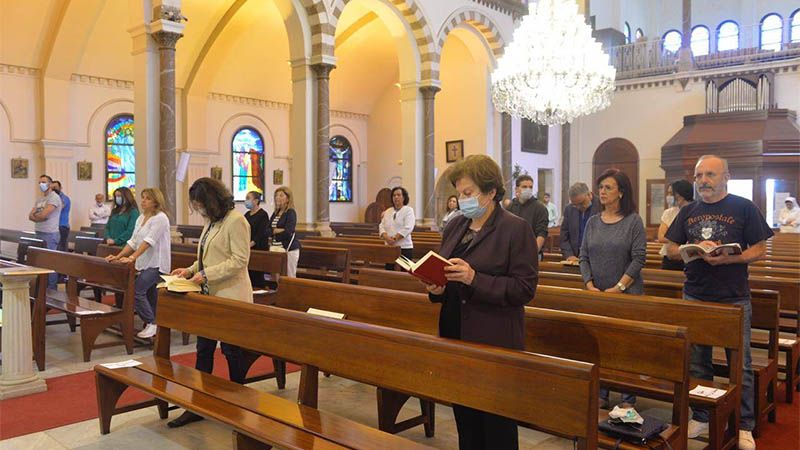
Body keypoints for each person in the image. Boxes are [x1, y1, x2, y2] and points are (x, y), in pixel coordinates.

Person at [424, 155, 538, 449]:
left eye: (468, 193)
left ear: (490, 192)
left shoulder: (515, 229)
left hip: (494, 337)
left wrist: (475, 278)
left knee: (496, 425)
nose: (462, 200)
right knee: (466, 420)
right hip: (456, 332)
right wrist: (437, 288)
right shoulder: (455, 225)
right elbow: (449, 276)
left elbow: (524, 289)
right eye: (459, 194)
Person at [665, 155, 773, 450]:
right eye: (699, 176)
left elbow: (760, 249)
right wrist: (690, 251)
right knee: (698, 361)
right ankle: (701, 414)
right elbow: (670, 247)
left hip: (734, 296)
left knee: (741, 363)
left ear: (726, 176)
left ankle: (744, 424)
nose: (703, 181)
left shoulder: (743, 207)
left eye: (710, 175)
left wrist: (730, 258)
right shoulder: (689, 211)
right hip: (696, 294)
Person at [167, 177, 253, 428]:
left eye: (200, 204)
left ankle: (239, 403)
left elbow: (239, 260)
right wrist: (190, 269)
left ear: (212, 201)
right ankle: (198, 404)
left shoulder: (236, 221)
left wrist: (205, 274)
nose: (198, 210)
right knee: (203, 349)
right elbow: (206, 257)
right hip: (208, 297)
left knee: (231, 351)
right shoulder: (212, 221)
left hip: (230, 296)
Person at [579, 168, 646, 409]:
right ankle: (602, 393)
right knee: (600, 346)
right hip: (597, 295)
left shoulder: (633, 221)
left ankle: (628, 397)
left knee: (626, 346)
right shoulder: (593, 221)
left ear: (621, 192)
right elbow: (583, 256)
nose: (602, 192)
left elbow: (638, 258)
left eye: (608, 187)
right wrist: (589, 285)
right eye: (601, 187)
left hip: (626, 296)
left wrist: (619, 287)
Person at [105, 188, 171, 339]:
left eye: (147, 198)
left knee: (137, 291)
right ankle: (157, 328)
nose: (143, 201)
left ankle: (151, 322)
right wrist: (118, 256)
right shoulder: (141, 218)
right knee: (150, 294)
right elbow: (133, 241)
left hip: (157, 263)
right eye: (142, 198)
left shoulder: (161, 218)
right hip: (144, 262)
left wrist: (132, 257)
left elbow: (149, 241)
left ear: (156, 201)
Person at [28, 174, 62, 289]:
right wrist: (39, 216)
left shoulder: (54, 198)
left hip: (50, 234)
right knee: (41, 263)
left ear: (50, 184)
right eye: (39, 182)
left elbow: (43, 214)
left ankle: (51, 289)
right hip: (39, 233)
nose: (41, 184)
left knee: (50, 262)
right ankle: (42, 288)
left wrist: (38, 215)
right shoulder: (40, 199)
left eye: (43, 182)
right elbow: (30, 216)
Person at [506, 175, 549, 258]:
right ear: (517, 189)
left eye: (530, 187)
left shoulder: (540, 208)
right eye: (524, 187)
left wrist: (533, 253)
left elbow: (542, 233)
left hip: (531, 254)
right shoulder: (511, 207)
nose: (528, 189)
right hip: (512, 253)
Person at [657, 180, 694, 270]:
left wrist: (673, 238)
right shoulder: (669, 212)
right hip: (670, 258)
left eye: (671, 193)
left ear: (679, 195)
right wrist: (682, 238)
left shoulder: (696, 209)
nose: (668, 196)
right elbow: (661, 237)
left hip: (690, 257)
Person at [559, 182, 601, 262]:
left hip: (595, 261)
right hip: (575, 260)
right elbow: (564, 236)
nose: (578, 207)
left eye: (581, 203)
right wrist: (569, 255)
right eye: (575, 204)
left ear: (589, 194)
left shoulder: (602, 206)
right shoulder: (569, 209)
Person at [268, 186, 301, 277]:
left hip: (288, 248)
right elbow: (267, 230)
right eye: (276, 195)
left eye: (281, 195)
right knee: (276, 274)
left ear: (288, 199)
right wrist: (277, 230)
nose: (278, 197)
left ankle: (290, 291)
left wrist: (274, 231)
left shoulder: (290, 212)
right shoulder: (275, 213)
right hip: (275, 248)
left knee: (289, 275)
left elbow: (288, 231)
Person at [379, 186, 415, 267]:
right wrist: (386, 237)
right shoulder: (388, 211)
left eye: (398, 195)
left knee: (405, 273)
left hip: (404, 247)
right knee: (389, 271)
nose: (396, 197)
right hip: (389, 247)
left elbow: (408, 227)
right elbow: (381, 226)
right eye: (394, 195)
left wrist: (394, 239)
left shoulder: (408, 210)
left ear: (404, 197)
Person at [244, 190, 269, 287]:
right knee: (248, 274)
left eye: (248, 198)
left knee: (257, 275)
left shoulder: (263, 215)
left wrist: (251, 244)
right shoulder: (247, 214)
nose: (246, 201)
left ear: (255, 201)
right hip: (248, 247)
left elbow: (261, 233)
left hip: (258, 248)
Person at [52, 181, 71, 252]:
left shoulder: (64, 198)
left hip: (62, 226)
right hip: (54, 226)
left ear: (60, 188)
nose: (54, 189)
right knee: (56, 247)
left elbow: (58, 208)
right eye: (52, 187)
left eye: (55, 187)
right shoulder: (53, 198)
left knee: (61, 248)